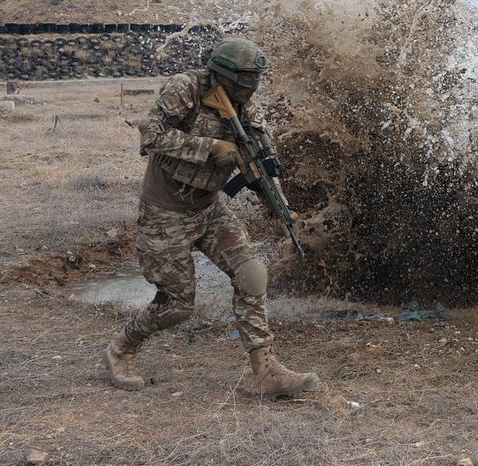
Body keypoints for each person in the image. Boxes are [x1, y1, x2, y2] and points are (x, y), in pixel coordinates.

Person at [103, 36, 319, 398]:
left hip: (209, 207)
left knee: (251, 274)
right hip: (165, 211)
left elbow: (261, 157)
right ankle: (120, 349)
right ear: (224, 75)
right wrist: (211, 148)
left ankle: (266, 372)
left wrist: (277, 202)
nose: (250, 89)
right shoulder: (186, 87)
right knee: (177, 306)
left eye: (254, 81)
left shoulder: (242, 107)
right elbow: (150, 135)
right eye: (244, 81)